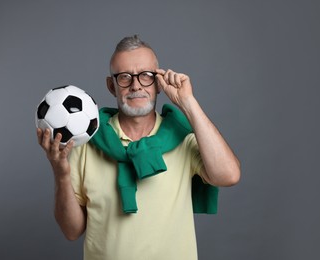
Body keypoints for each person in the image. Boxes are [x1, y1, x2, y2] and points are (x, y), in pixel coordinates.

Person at [37, 35, 241, 260]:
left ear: (158, 82)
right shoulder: (87, 143)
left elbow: (228, 175)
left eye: (146, 76)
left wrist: (188, 102)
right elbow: (71, 230)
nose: (136, 85)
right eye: (124, 77)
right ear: (111, 86)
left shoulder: (181, 139)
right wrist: (60, 172)